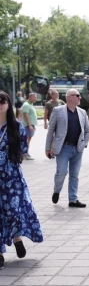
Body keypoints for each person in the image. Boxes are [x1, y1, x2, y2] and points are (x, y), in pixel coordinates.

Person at [0, 91, 44, 270]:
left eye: (3, 101)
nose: (0, 104)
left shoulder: (16, 126)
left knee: (13, 211)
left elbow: (23, 149)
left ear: (9, 104)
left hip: (11, 178)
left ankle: (16, 238)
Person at [46, 89, 89, 207]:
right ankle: (57, 190)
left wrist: (84, 143)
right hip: (63, 148)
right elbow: (51, 130)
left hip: (77, 148)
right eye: (77, 96)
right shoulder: (58, 111)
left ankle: (73, 199)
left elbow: (88, 130)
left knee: (74, 175)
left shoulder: (82, 112)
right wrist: (47, 147)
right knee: (61, 172)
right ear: (69, 97)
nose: (80, 98)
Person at [21, 93, 38, 160]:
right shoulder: (26, 105)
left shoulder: (30, 104)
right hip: (27, 126)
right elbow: (26, 116)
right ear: (30, 97)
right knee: (26, 140)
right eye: (34, 97)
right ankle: (25, 154)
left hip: (30, 125)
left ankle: (25, 153)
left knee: (28, 140)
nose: (35, 99)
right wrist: (30, 125)